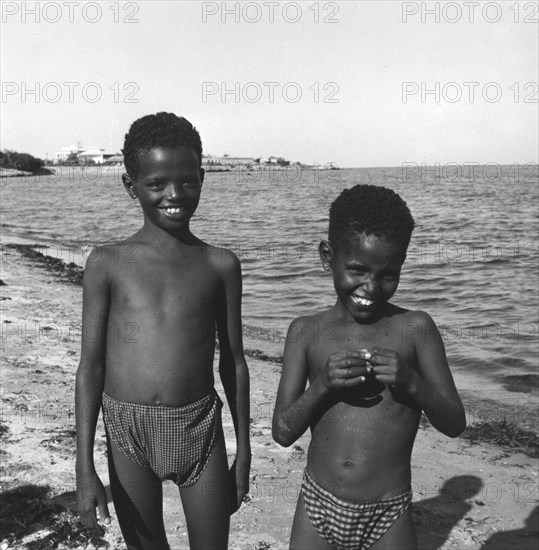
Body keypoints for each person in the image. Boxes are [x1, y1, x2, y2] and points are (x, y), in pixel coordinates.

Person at [75, 112, 251, 550]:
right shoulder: (107, 263)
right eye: (157, 184)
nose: (175, 195)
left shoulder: (219, 264)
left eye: (188, 181)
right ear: (129, 184)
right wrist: (84, 467)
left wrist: (243, 453)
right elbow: (90, 368)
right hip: (127, 430)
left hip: (198, 427)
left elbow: (234, 361)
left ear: (202, 178)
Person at [272, 184, 466, 550]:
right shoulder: (305, 332)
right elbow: (282, 432)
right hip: (318, 504)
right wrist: (323, 386)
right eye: (358, 269)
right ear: (328, 256)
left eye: (388, 274)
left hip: (388, 512)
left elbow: (455, 423)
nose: (372, 286)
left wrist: (413, 383)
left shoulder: (416, 329)